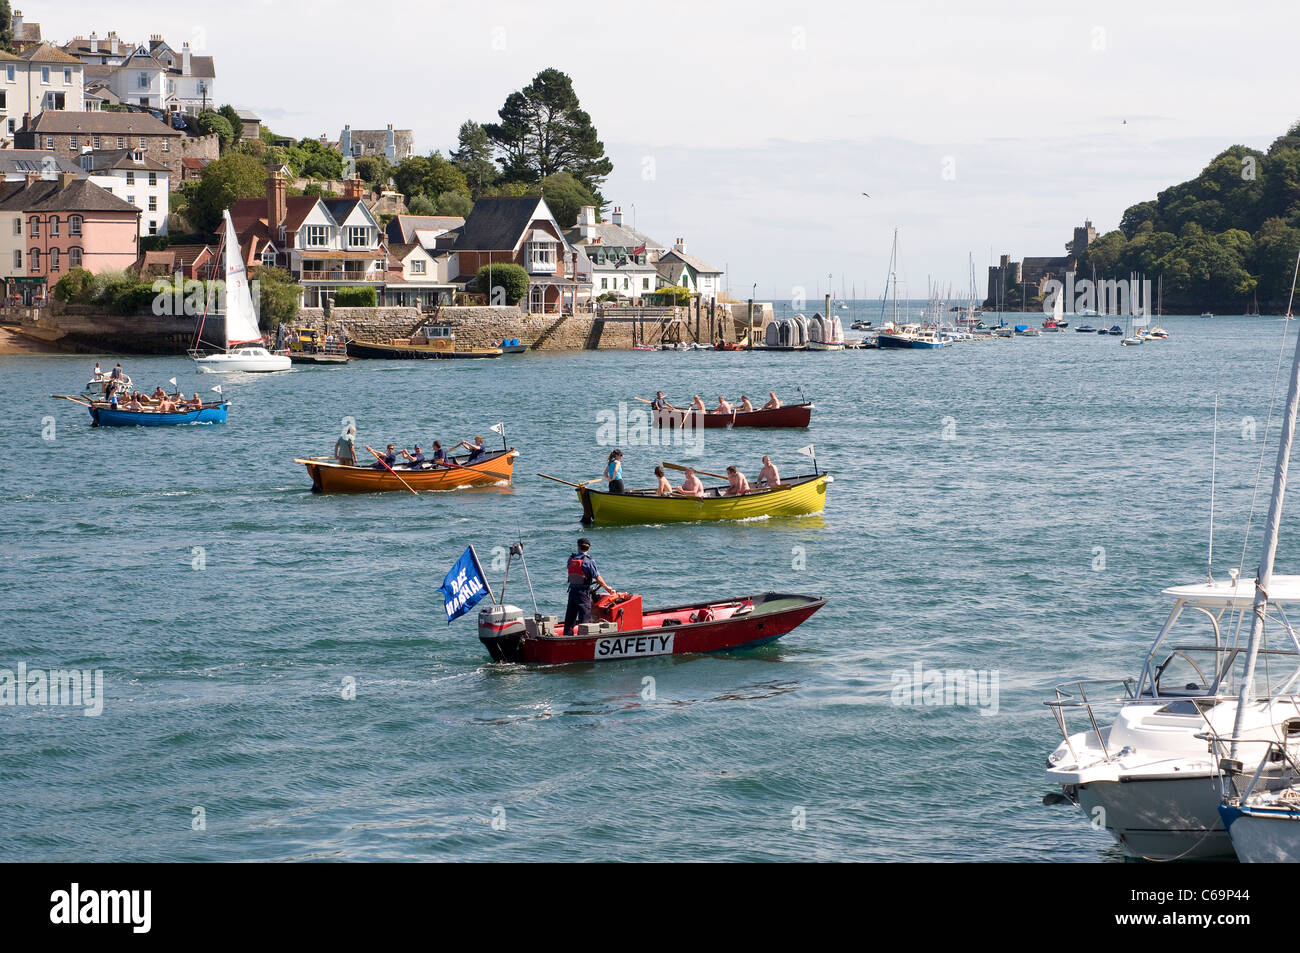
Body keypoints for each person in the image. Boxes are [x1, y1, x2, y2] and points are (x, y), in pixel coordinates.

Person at [563, 537, 615, 635]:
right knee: (584, 617)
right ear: (588, 548)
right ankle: (582, 637)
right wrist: (607, 588)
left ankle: (567, 634)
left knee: (570, 616)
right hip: (583, 593)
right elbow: (597, 577)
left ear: (578, 547)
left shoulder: (571, 559)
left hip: (572, 591)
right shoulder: (589, 561)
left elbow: (570, 570)